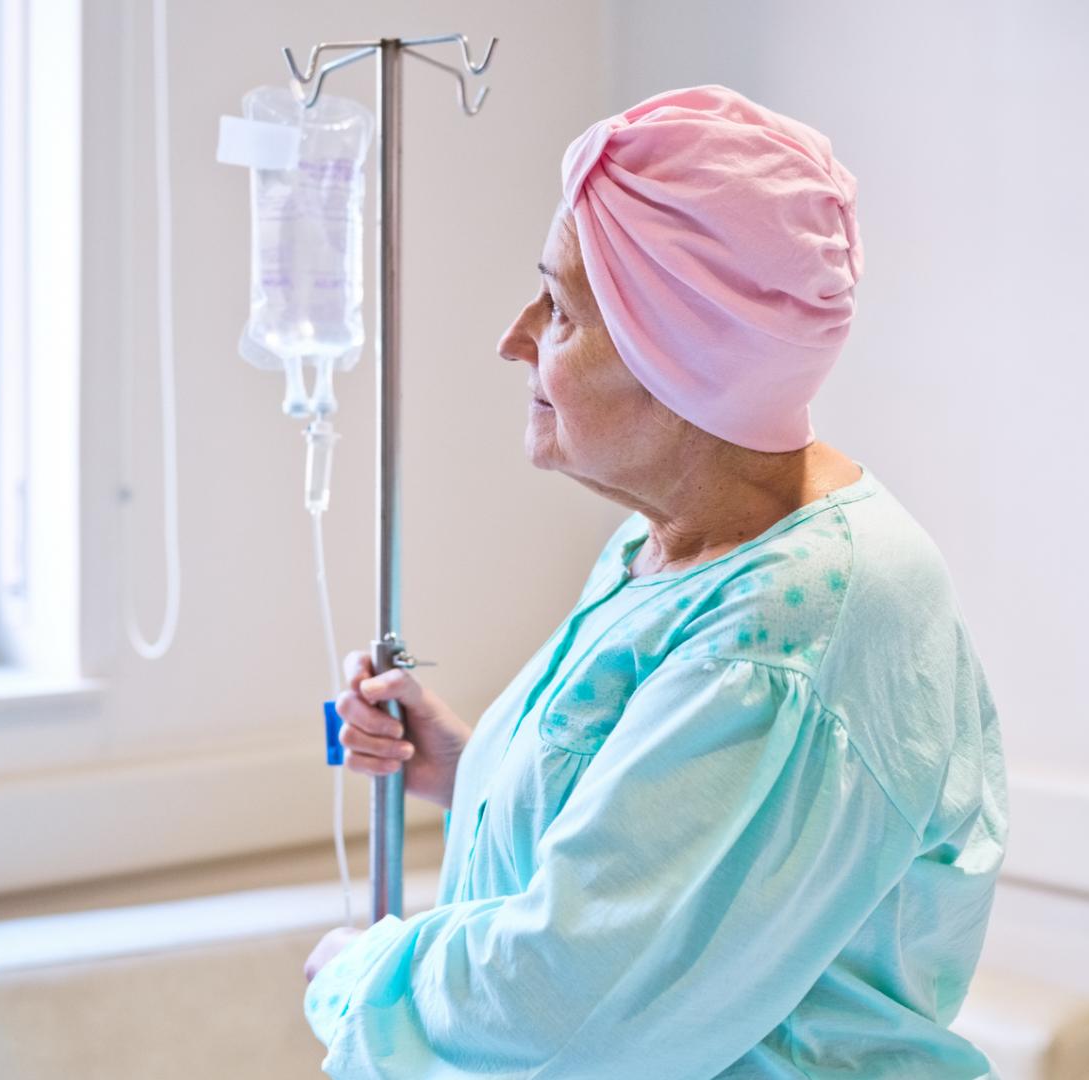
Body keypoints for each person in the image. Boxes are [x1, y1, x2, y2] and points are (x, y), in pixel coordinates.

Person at [300, 85, 1008, 1079]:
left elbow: (566, 998)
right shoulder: (671, 547)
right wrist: (472, 771)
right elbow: (675, 845)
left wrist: (358, 976)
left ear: (678, 356)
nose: (514, 338)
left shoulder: (790, 626)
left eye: (559, 309)